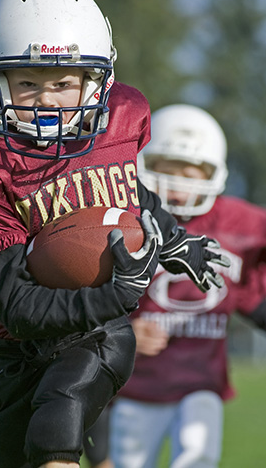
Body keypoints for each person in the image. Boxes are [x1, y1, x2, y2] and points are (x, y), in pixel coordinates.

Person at [0, 0, 228, 468]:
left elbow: (130, 193)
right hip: (12, 341)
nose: (48, 100)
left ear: (98, 79)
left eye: (64, 82)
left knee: (55, 432)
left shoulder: (120, 121)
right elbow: (18, 306)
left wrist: (174, 241)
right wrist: (121, 290)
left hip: (96, 330)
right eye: (27, 82)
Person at [107, 104, 266, 468]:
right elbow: (86, 300)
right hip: (136, 386)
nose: (177, 191)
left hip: (201, 384)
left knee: (199, 452)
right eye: (166, 173)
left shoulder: (238, 223)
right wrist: (120, 331)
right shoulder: (123, 219)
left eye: (189, 175)